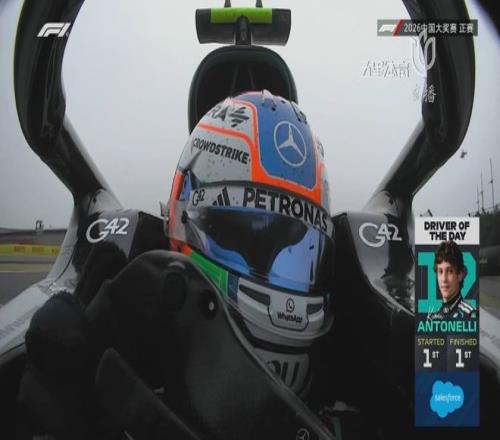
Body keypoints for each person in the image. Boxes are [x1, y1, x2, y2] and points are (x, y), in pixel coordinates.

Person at [17, 91, 368, 439]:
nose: (280, 279)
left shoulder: (355, 404)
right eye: (242, 238)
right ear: (183, 225)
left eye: (300, 252)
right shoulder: (126, 378)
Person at [429, 240, 477, 319]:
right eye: (440, 271)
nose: (444, 279)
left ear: (460, 274)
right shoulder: (432, 318)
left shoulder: (471, 315)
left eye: (450, 271)